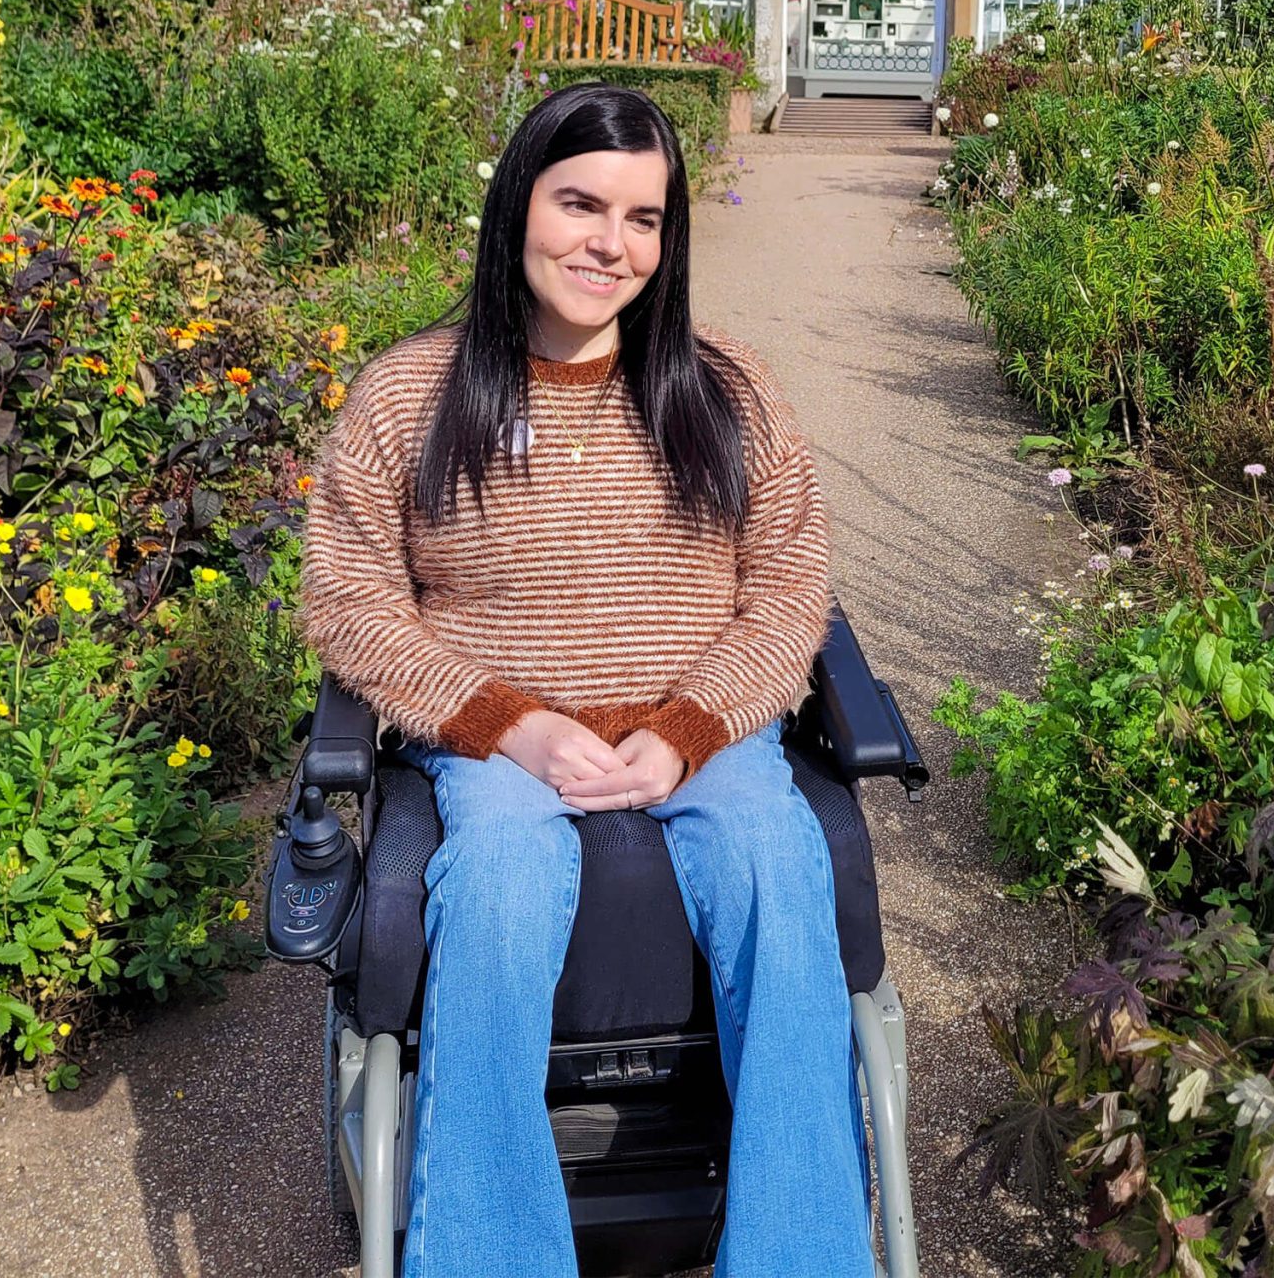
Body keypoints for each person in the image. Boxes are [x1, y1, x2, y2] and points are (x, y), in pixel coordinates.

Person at [303, 83, 872, 1278]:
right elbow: (350, 603)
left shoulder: (728, 393)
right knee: (500, 888)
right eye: (579, 204)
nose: (610, 244)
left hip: (704, 734)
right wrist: (510, 727)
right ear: (518, 205)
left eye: (644, 218)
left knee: (780, 871)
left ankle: (797, 1257)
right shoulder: (409, 396)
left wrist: (688, 727)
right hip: (498, 743)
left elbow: (786, 595)